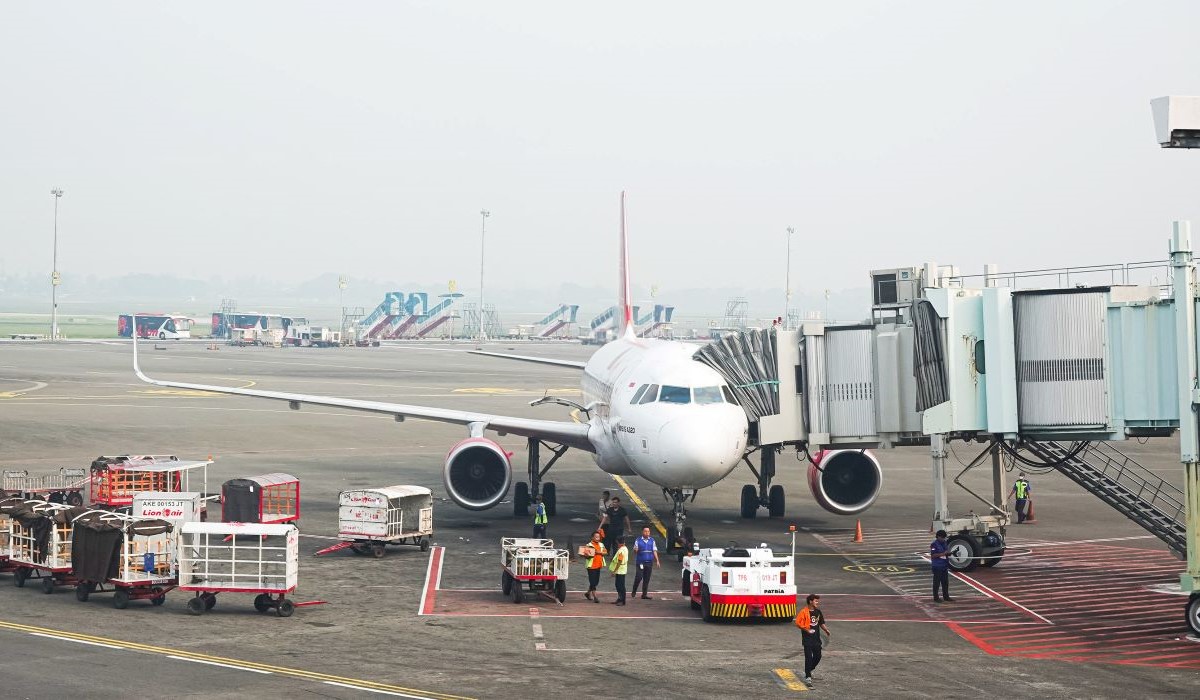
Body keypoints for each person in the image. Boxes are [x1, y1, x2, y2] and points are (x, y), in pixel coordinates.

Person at [794, 593, 830, 684]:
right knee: (808, 657)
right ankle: (808, 676)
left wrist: (826, 630)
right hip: (807, 639)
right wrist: (807, 630)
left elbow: (821, 622)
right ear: (810, 601)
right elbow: (798, 623)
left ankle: (808, 670)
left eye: (817, 600)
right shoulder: (803, 612)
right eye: (815, 600)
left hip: (816, 639)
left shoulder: (818, 612)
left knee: (818, 656)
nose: (817, 602)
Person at [630, 526, 660, 599]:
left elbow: (654, 551)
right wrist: (635, 550)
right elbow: (635, 551)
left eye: (648, 531)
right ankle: (634, 590)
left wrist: (657, 560)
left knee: (647, 578)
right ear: (642, 532)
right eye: (645, 531)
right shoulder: (638, 540)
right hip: (640, 562)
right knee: (638, 577)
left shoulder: (652, 540)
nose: (647, 533)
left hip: (649, 562)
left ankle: (644, 594)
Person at [583, 530, 607, 603]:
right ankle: (595, 596)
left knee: (596, 581)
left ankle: (587, 593)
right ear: (592, 538)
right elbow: (585, 555)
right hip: (591, 566)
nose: (598, 538)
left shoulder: (601, 545)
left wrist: (599, 552)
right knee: (593, 581)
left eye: (598, 537)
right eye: (596, 537)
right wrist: (587, 554)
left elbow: (606, 552)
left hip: (598, 565)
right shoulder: (588, 545)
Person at [930, 529, 953, 602]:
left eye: (944, 537)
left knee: (945, 582)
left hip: (944, 565)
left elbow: (946, 552)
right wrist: (943, 554)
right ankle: (936, 597)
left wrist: (948, 553)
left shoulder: (944, 543)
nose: (943, 539)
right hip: (937, 566)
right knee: (936, 582)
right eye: (942, 537)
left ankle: (946, 596)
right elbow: (933, 555)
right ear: (938, 537)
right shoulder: (934, 544)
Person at [609, 535, 628, 605]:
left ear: (618, 542)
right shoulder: (624, 548)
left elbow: (619, 561)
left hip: (620, 570)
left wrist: (614, 571)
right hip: (622, 570)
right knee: (618, 585)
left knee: (620, 585)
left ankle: (622, 600)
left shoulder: (621, 550)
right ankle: (620, 598)